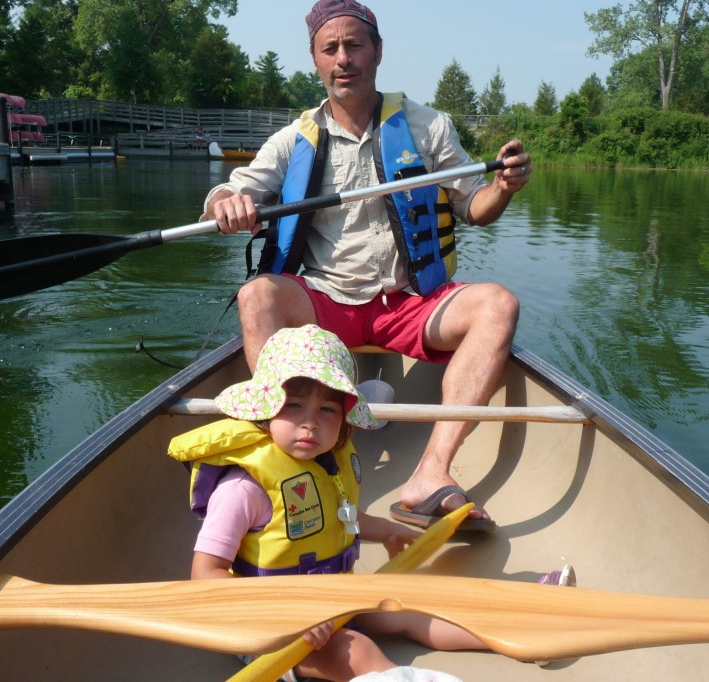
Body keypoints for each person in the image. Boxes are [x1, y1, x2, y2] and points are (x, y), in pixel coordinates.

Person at [200, 0, 532, 531]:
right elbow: (230, 192)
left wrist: (502, 186)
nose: (343, 58)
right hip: (327, 306)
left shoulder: (428, 127)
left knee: (498, 304)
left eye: (354, 45)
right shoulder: (294, 139)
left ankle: (430, 473)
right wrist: (225, 203)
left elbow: (476, 208)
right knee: (256, 295)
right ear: (315, 60)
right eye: (330, 49)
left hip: (411, 302)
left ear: (378, 52)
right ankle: (282, 462)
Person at [169, 325, 574, 682]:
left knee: (407, 609)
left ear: (344, 418)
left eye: (327, 409)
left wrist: (389, 530)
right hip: (270, 627)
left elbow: (339, 519)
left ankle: (525, 634)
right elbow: (205, 575)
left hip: (332, 596)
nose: (311, 422)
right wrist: (291, 614)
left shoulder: (322, 465)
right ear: (264, 409)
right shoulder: (242, 489)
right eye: (294, 406)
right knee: (357, 651)